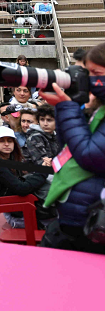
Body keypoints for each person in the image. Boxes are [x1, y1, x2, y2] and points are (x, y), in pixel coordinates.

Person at [39, 42, 105, 253]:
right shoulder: (99, 107)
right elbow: (70, 144)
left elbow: (90, 156)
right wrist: (64, 106)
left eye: (95, 74)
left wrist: (68, 108)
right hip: (79, 215)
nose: (88, 79)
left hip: (92, 220)